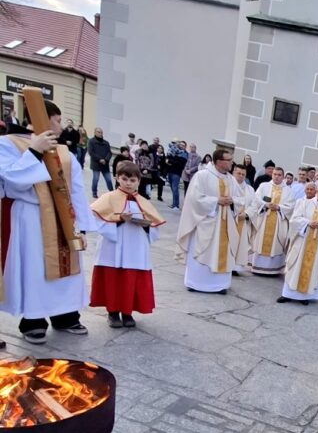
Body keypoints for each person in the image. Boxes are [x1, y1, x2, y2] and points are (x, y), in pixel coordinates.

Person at [0, 99, 94, 343]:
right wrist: (34, 150)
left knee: (68, 268)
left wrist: (81, 226)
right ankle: (33, 320)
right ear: (42, 117)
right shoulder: (7, 143)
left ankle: (66, 316)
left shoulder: (65, 151)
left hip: (63, 217)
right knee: (36, 268)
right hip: (31, 216)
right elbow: (11, 179)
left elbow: (76, 189)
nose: (61, 127)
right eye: (58, 120)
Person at [90, 161, 163, 328]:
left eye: (132, 180)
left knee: (131, 278)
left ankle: (128, 312)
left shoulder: (143, 201)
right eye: (124, 179)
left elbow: (154, 226)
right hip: (114, 246)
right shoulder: (108, 198)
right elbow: (97, 221)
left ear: (139, 181)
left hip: (135, 245)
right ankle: (113, 313)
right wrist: (119, 220)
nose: (128, 183)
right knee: (113, 277)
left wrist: (147, 226)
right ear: (117, 178)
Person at [176, 147, 238, 294]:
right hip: (206, 222)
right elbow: (194, 199)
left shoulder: (230, 179)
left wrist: (232, 201)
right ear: (219, 162)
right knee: (202, 250)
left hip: (225, 224)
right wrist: (216, 201)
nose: (231, 163)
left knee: (221, 251)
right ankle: (196, 283)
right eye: (228, 160)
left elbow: (240, 199)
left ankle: (220, 285)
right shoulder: (202, 176)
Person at [278, 179, 318, 305]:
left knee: (314, 269)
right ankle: (287, 294)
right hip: (302, 242)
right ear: (316, 191)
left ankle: (304, 297)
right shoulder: (305, 203)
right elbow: (294, 220)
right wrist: (308, 223)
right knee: (295, 266)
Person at [248, 165, 296, 275]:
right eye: (275, 174)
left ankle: (273, 269)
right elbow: (256, 199)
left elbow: (291, 206)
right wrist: (266, 204)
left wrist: (279, 207)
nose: (277, 177)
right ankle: (257, 266)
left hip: (279, 220)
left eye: (279, 175)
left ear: (283, 176)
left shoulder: (288, 191)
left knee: (276, 244)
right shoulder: (264, 186)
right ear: (272, 174)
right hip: (264, 218)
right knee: (260, 241)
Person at [230, 162, 255, 273]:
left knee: (240, 244)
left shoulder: (250, 189)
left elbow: (254, 205)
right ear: (233, 172)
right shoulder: (228, 185)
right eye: (238, 173)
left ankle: (236, 267)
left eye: (243, 174)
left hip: (243, 221)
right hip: (230, 219)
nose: (240, 176)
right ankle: (226, 263)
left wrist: (246, 214)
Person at [87, 126, 113, 197]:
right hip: (96, 164)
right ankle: (94, 192)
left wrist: (106, 159)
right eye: (99, 132)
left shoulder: (106, 142)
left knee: (108, 179)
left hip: (105, 164)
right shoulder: (91, 141)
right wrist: (100, 159)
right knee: (96, 179)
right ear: (95, 132)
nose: (100, 134)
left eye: (101, 132)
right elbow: (91, 152)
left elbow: (109, 153)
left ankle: (112, 192)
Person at [165, 139, 188, 210]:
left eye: (183, 145)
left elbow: (180, 164)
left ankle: (176, 206)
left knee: (175, 189)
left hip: (176, 173)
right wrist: (170, 160)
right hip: (170, 171)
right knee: (172, 188)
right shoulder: (175, 151)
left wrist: (171, 161)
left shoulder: (184, 154)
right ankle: (174, 204)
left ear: (185, 147)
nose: (181, 146)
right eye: (180, 144)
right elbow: (168, 158)